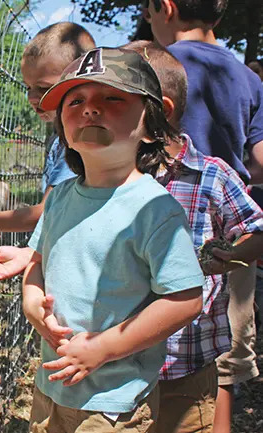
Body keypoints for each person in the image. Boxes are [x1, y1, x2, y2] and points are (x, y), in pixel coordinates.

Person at [23, 47, 204, 432]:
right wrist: (32, 303)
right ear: (62, 130)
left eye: (112, 98)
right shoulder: (59, 198)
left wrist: (101, 349)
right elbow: (36, 263)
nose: (90, 109)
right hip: (51, 386)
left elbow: (185, 299)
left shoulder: (155, 210)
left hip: (113, 403)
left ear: (152, 126)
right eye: (75, 100)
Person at [123, 40, 263, 433]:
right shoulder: (108, 178)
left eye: (116, 101)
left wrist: (223, 258)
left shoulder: (210, 177)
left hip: (185, 359)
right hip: (120, 362)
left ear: (157, 111)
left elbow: (257, 230)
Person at [0, 22, 94, 239]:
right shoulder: (59, 139)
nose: (31, 98)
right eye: (28, 87)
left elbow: (47, 213)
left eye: (43, 88)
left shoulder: (78, 143)